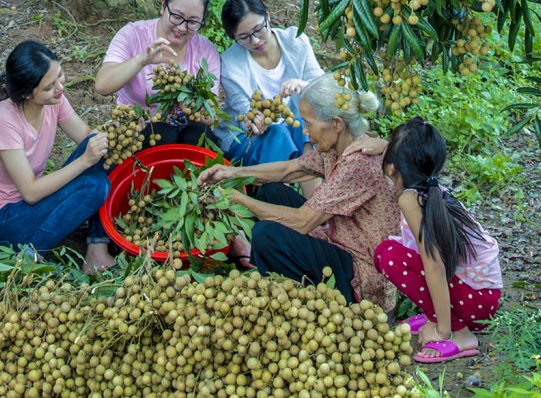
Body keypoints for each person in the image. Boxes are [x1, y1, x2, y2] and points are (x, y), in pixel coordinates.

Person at [199, 74, 400, 312]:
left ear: (336, 123)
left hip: (361, 275)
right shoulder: (340, 144)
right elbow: (289, 169)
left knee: (267, 233)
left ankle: (309, 301)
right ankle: (277, 273)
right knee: (273, 192)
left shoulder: (357, 164)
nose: (305, 131)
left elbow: (303, 222)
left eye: (310, 124)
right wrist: (232, 173)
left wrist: (237, 197)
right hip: (339, 239)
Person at [0, 41, 116, 273]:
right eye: (49, 86)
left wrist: (117, 132)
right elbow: (30, 191)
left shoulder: (54, 101)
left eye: (60, 75)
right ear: (28, 94)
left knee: (108, 151)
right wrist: (84, 161)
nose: (59, 87)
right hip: (0, 224)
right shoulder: (3, 120)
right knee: (95, 186)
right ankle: (21, 257)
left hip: (33, 206)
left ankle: (96, 249)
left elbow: (87, 137)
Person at [372, 117, 503, 364]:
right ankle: (438, 314)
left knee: (388, 256)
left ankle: (459, 333)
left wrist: (443, 331)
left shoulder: (410, 200)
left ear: (390, 168)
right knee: (393, 252)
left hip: (477, 303)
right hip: (482, 295)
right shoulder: (430, 191)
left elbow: (435, 266)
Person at [94, 0, 222, 146]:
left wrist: (188, 102)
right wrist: (142, 60)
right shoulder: (133, 34)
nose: (182, 28)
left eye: (192, 22)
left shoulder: (207, 51)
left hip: (187, 132)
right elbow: (102, 86)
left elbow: (209, 118)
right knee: (163, 133)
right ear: (163, 6)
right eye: (177, 16)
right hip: (140, 131)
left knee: (198, 135)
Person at [218, 0, 324, 166]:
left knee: (303, 128)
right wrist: (254, 121)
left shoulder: (296, 42)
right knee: (277, 134)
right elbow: (244, 110)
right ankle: (271, 191)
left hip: (292, 129)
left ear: (267, 15)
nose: (255, 40)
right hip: (245, 139)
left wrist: (302, 85)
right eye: (244, 38)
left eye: (259, 29)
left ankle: (314, 194)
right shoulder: (230, 63)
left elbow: (322, 88)